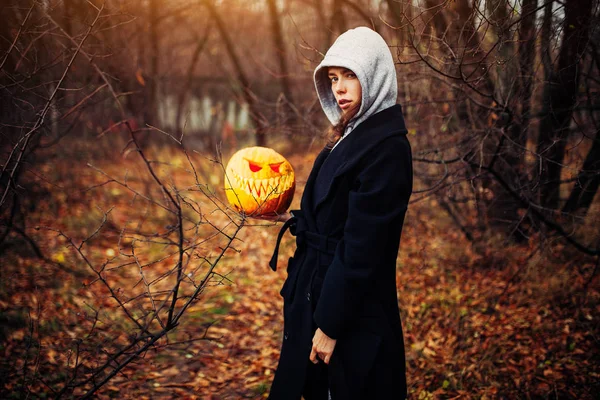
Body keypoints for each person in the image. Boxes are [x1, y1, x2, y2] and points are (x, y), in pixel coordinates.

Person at [260, 26, 413, 400]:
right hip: (319, 291)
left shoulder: (387, 149)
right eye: (333, 78)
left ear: (374, 75)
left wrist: (330, 325)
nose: (339, 88)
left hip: (350, 312)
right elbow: (338, 216)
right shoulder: (350, 134)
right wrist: (294, 219)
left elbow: (364, 248)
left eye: (350, 76)